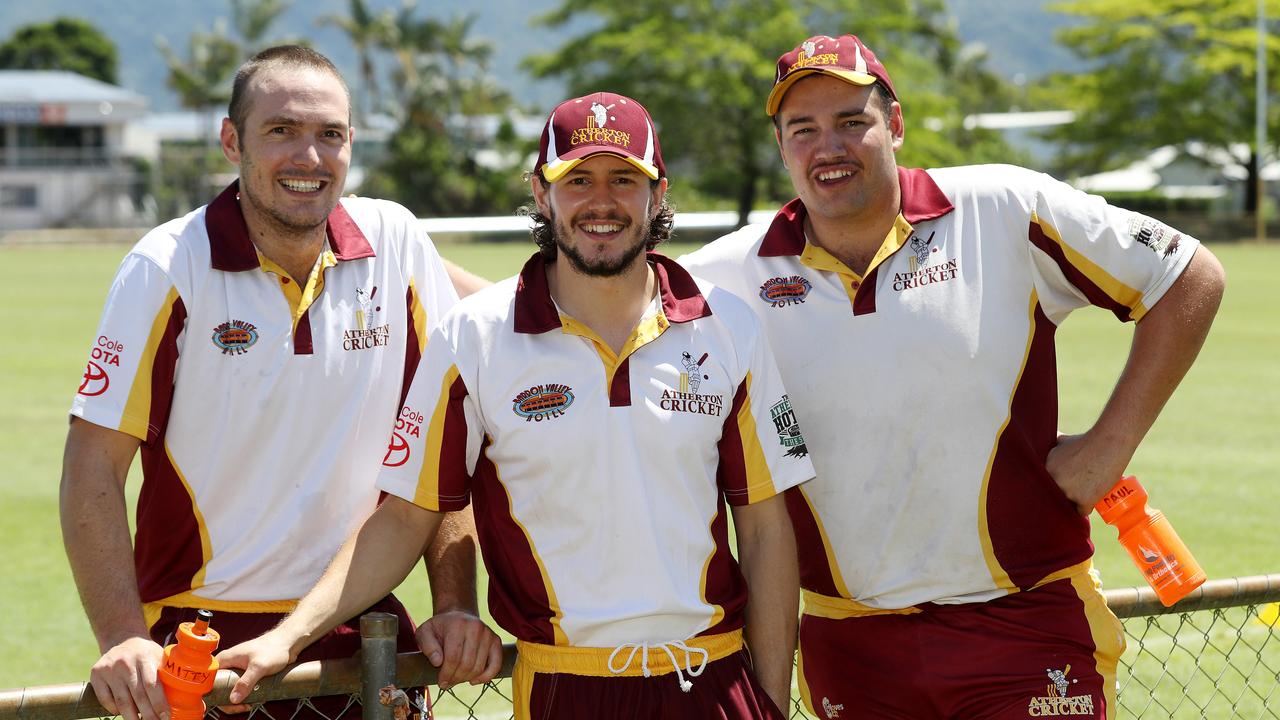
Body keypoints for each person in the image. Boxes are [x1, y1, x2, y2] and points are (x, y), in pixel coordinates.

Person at [217, 91, 815, 720]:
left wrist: (769, 699)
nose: (601, 202)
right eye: (577, 179)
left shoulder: (729, 326)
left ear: (658, 193)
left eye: (624, 179)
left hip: (713, 682)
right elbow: (404, 517)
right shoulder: (472, 336)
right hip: (563, 687)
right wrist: (287, 637)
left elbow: (766, 528)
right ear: (541, 191)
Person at [680, 33, 1226, 720]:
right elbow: (596, 306)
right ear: (781, 146)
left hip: (1024, 616)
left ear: (896, 124)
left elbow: (1186, 274)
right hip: (849, 638)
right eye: (803, 130)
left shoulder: (1002, 206)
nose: (829, 148)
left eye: (853, 122)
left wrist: (1105, 452)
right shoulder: (728, 274)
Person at [61, 45, 498, 720]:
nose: (309, 157)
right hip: (201, 642)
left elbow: (441, 452)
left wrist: (456, 605)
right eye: (281, 131)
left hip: (361, 629)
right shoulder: (166, 264)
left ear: (353, 143)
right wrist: (121, 636)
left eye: (330, 135)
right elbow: (93, 461)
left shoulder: (400, 244)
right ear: (232, 140)